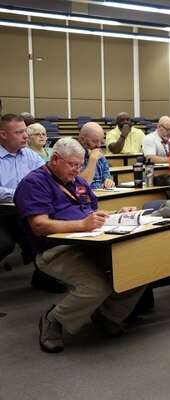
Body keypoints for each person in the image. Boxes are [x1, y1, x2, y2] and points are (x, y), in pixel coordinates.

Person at [13, 138, 146, 353]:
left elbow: (92, 214)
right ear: (55, 159)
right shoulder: (34, 183)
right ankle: (52, 319)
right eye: (73, 164)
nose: (78, 170)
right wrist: (82, 225)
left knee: (139, 268)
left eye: (80, 164)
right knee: (96, 286)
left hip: (92, 242)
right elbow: (39, 225)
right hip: (55, 250)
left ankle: (106, 315)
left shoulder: (78, 182)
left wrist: (117, 213)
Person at [0, 114, 44, 267]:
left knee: (46, 235)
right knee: (4, 244)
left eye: (25, 131)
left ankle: (42, 277)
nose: (25, 136)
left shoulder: (32, 157)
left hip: (26, 210)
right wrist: (22, 195)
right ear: (3, 134)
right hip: (2, 213)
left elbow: (45, 183)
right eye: (19, 132)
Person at [78, 122, 115, 189]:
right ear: (82, 140)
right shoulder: (73, 155)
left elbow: (107, 178)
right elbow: (81, 185)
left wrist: (109, 182)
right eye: (95, 141)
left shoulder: (98, 152)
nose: (99, 145)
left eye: (100, 141)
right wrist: (93, 158)